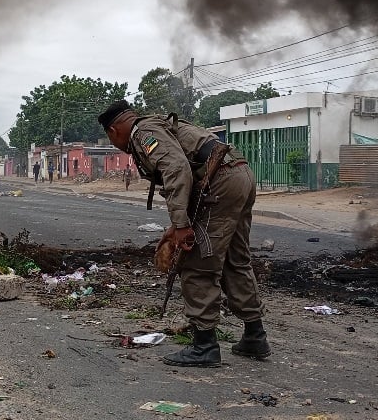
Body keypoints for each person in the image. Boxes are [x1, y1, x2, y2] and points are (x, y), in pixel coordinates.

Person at [98, 99, 269, 367]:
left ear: (112, 132)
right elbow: (188, 170)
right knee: (236, 260)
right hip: (239, 174)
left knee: (198, 264)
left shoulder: (142, 134)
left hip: (220, 183)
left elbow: (176, 169)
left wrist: (181, 226)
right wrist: (176, 225)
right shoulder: (158, 124)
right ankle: (255, 336)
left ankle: (205, 346)